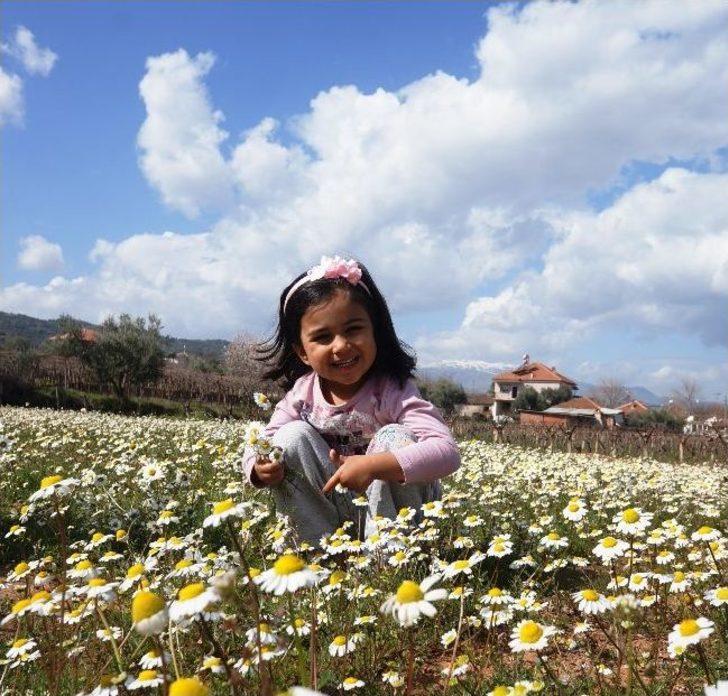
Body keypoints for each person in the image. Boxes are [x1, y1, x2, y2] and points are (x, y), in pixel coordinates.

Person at [241, 255, 460, 545]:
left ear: (375, 332)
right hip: (334, 508)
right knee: (289, 438)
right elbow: (260, 445)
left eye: (353, 329)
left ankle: (391, 558)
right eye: (322, 337)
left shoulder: (392, 390)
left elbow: (447, 452)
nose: (341, 346)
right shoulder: (302, 395)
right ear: (302, 352)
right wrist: (259, 468)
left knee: (396, 436)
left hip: (396, 516)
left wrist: (374, 465)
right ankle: (316, 551)